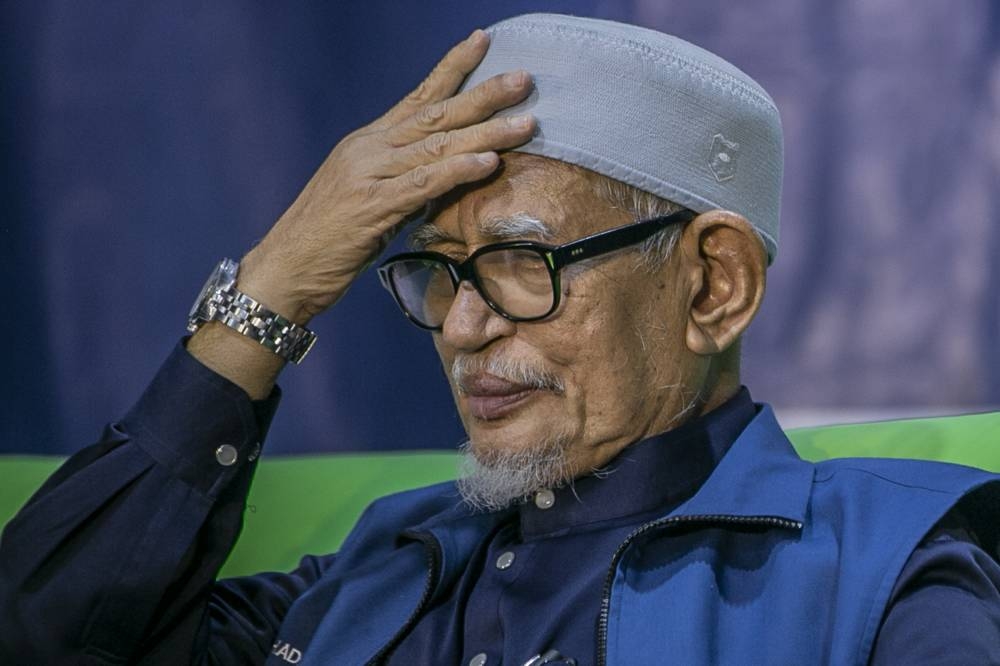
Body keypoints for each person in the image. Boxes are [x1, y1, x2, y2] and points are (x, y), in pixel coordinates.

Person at [1, 12, 998, 666]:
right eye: (438, 267)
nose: (463, 325)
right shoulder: (374, 574)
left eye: (525, 262)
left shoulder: (884, 570)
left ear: (713, 284)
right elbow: (44, 639)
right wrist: (273, 287)